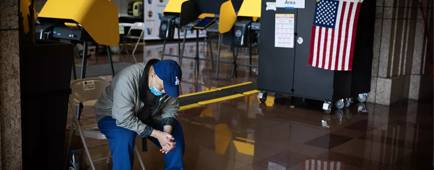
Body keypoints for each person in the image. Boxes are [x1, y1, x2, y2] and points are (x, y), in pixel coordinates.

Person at [95, 59, 184, 170]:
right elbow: (124, 118)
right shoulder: (127, 79)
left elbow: (170, 107)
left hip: (147, 114)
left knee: (174, 133)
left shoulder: (168, 82)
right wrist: (157, 134)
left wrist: (166, 134)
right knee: (124, 137)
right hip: (113, 115)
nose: (165, 92)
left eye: (168, 90)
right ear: (153, 75)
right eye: (162, 88)